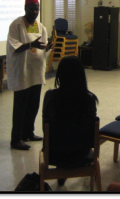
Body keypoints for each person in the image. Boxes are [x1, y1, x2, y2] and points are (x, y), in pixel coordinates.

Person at [42, 55, 99, 186]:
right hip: (81, 154)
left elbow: (46, 128)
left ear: (59, 75)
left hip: (54, 154)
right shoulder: (89, 100)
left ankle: (62, 171)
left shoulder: (50, 98)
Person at [7, 0, 54, 150]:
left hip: (36, 71)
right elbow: (14, 46)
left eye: (37, 9)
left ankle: (29, 132)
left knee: (33, 105)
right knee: (20, 106)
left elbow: (42, 49)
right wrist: (29, 44)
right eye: (32, 9)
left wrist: (49, 47)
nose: (35, 12)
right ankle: (16, 139)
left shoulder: (41, 27)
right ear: (25, 9)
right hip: (23, 71)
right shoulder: (16, 25)